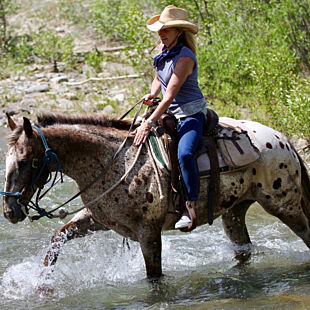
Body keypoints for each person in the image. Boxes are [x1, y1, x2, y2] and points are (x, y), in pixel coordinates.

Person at [133, 5, 208, 230]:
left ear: (179, 32)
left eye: (167, 30)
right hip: (171, 112)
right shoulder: (162, 50)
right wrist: (152, 93)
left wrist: (148, 122)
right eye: (161, 30)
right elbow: (159, 78)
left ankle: (189, 206)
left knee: (185, 154)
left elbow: (170, 95)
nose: (162, 33)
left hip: (191, 114)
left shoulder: (185, 57)